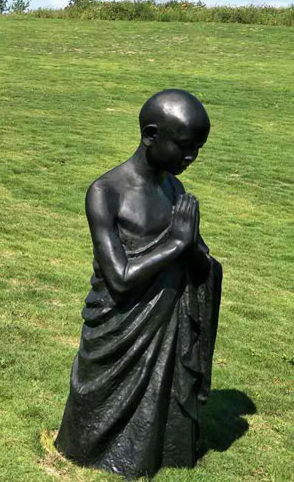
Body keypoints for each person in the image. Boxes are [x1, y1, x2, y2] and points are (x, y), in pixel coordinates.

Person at [55, 89, 221, 478]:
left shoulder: (175, 190)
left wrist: (195, 253)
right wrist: (176, 244)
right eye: (184, 146)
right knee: (97, 406)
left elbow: (200, 263)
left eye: (198, 148)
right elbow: (120, 277)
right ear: (150, 135)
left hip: (165, 323)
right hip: (118, 326)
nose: (191, 157)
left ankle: (159, 448)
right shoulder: (106, 193)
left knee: (157, 399)